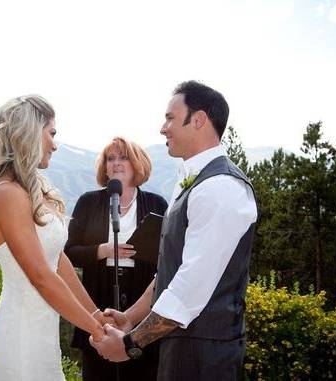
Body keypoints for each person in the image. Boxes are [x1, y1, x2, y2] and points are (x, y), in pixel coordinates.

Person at [90, 81, 258, 381]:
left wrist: (130, 344)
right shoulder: (195, 183)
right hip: (180, 348)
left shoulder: (221, 188)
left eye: (170, 117)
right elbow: (170, 271)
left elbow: (189, 287)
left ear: (198, 120)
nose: (163, 128)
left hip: (206, 357)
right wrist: (131, 318)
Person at [0, 95, 108, 380]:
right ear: (30, 132)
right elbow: (40, 276)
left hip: (42, 331)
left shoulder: (34, 189)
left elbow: (57, 262)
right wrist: (95, 331)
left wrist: (96, 315)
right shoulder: (7, 193)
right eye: (52, 133)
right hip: (21, 334)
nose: (55, 144)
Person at [65, 137, 168, 380]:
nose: (116, 164)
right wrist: (102, 250)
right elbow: (68, 254)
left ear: (137, 164)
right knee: (98, 369)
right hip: (96, 299)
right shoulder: (88, 202)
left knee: (141, 369)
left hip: (142, 296)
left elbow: (167, 258)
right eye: (110, 159)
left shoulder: (156, 203)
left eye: (123, 157)